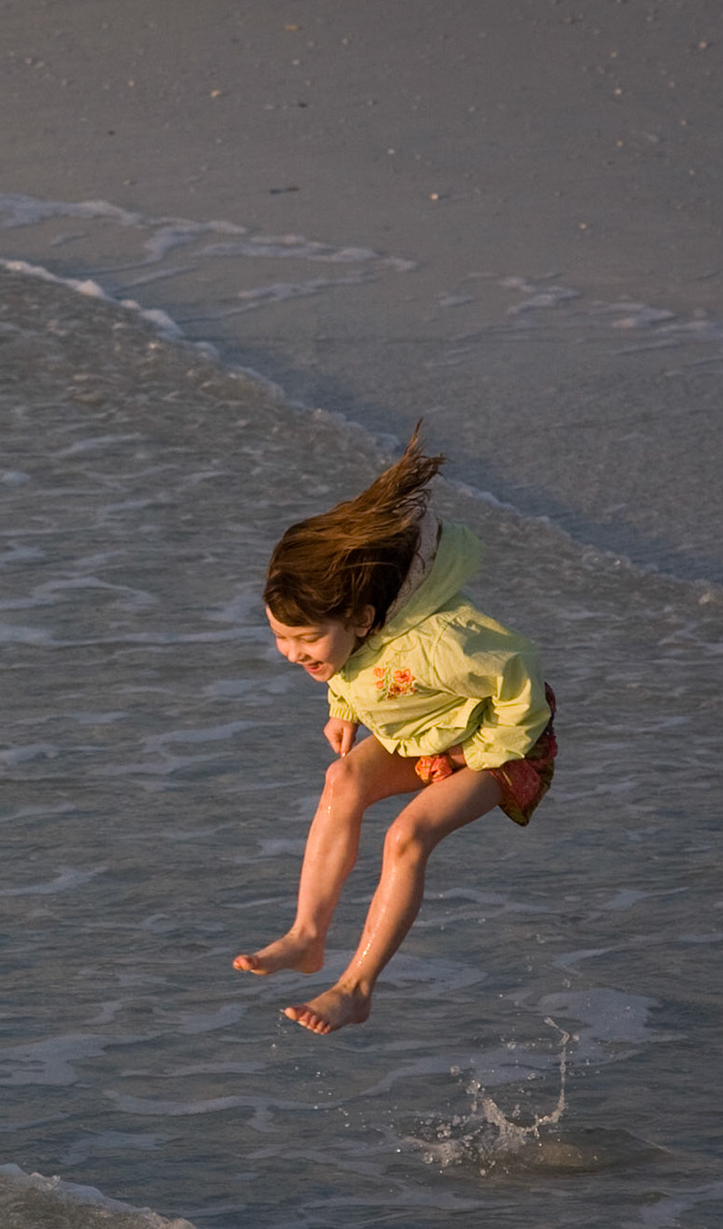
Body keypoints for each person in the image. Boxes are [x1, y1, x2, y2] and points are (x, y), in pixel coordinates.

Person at [233, 430, 556, 1033]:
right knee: (342, 780)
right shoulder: (356, 629)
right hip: (430, 731)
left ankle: (356, 988)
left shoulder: (442, 643)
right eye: (281, 636)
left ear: (360, 618)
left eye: (306, 640)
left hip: (506, 742)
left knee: (407, 836)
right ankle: (307, 937)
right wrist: (344, 711)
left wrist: (479, 754)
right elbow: (354, 669)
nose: (290, 652)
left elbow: (521, 673)